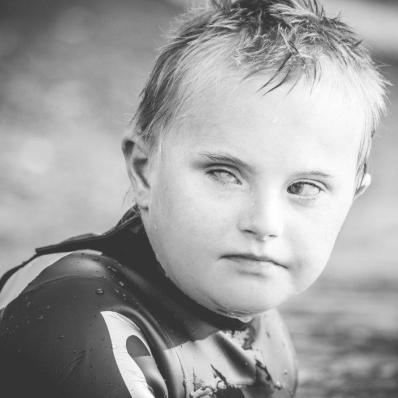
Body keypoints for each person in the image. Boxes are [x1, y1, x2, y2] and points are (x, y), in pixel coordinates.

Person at [0, 0, 388, 397]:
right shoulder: (80, 322)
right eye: (225, 174)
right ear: (144, 170)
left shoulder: (261, 325)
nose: (265, 223)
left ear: (352, 197)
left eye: (304, 188)